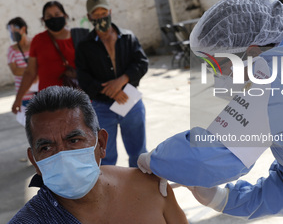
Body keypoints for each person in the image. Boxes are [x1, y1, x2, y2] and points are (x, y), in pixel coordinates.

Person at [137, 0, 283, 218]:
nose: (217, 75)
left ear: (251, 51)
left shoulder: (277, 77)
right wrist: (223, 199)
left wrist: (155, 159)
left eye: (217, 63)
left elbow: (210, 157)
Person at [8, 86, 188, 223]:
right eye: (46, 148)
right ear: (35, 161)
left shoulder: (150, 187)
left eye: (74, 140)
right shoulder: (31, 220)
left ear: (101, 143)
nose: (63, 156)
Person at [75, 0, 148, 167]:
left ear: (110, 12)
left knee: (139, 154)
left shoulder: (128, 37)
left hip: (130, 102)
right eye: (96, 14)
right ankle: (111, 192)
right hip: (101, 109)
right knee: (105, 158)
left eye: (104, 12)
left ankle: (140, 190)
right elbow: (83, 77)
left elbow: (142, 63)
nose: (101, 17)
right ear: (90, 17)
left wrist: (122, 80)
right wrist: (109, 90)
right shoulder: (84, 46)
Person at [11, 1, 88, 115]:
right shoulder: (38, 40)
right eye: (49, 16)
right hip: (50, 105)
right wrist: (18, 98)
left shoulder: (80, 37)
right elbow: (30, 72)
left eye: (57, 14)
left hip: (78, 103)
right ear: (44, 20)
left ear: (65, 16)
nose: (54, 19)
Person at [6, 17, 36, 110]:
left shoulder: (35, 44)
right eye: (10, 31)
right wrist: (34, 69)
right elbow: (15, 71)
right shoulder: (11, 50)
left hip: (40, 92)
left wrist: (27, 71)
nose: (12, 33)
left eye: (15, 30)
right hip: (25, 96)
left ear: (23, 29)